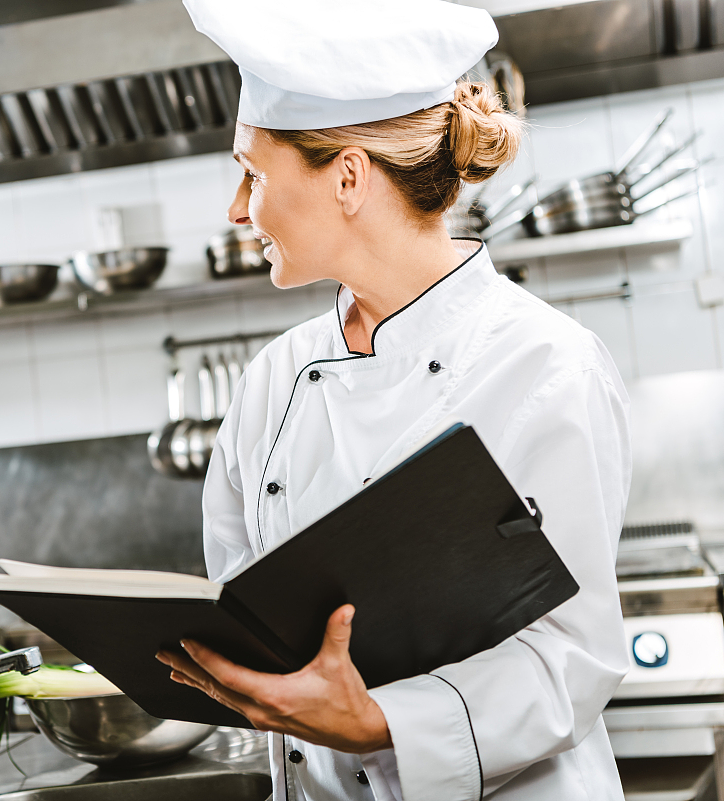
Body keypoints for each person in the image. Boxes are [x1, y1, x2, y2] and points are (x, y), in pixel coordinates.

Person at [156, 2, 631, 799]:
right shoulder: (273, 378)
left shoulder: (542, 365)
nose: (238, 210)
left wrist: (379, 722)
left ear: (347, 176)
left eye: (254, 174)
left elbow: (570, 658)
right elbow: (247, 615)